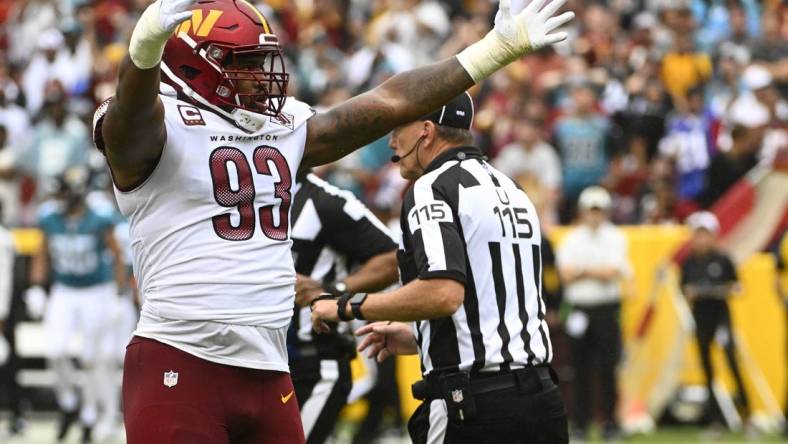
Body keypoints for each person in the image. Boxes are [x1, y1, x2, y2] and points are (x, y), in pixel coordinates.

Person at [93, 0, 574, 442]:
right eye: (246, 62)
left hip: (269, 361)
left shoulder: (280, 127)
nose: (265, 74)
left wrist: (495, 49)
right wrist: (146, 43)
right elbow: (131, 117)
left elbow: (390, 102)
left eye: (264, 59)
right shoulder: (155, 127)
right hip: (181, 356)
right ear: (196, 64)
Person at [312, 92, 567, 443]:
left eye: (397, 128)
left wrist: (347, 305)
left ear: (426, 131)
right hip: (541, 398)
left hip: (475, 404)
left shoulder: (432, 188)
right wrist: (421, 337)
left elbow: (443, 293)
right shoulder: (511, 187)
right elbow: (494, 306)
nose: (391, 141)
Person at [288, 171, 398, 443]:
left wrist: (332, 290)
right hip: (249, 359)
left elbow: (394, 259)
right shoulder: (238, 193)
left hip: (313, 362)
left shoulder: (325, 201)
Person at [23, 166, 126, 443]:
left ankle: (92, 415)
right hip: (65, 290)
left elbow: (116, 256)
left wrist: (118, 294)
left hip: (96, 290)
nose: (58, 199)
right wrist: (36, 287)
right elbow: (42, 254)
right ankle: (69, 404)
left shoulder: (99, 217)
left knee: (93, 358)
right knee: (55, 351)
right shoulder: (49, 218)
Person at [555, 186, 631, 441]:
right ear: (583, 212)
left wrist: (582, 272)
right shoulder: (573, 238)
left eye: (599, 211)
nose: (595, 216)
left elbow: (612, 272)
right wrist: (595, 272)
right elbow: (565, 275)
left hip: (606, 310)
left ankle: (610, 421)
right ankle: (580, 423)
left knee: (608, 367)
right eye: (591, 211)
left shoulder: (615, 237)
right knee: (579, 368)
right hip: (580, 309)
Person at [680, 211, 749, 429]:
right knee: (707, 368)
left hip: (721, 315)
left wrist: (718, 290)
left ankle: (746, 413)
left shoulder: (722, 259)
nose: (701, 240)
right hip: (701, 317)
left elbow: (737, 286)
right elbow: (684, 289)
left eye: (705, 234)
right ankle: (715, 419)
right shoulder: (689, 263)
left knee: (730, 359)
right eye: (697, 235)